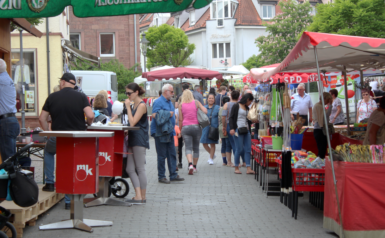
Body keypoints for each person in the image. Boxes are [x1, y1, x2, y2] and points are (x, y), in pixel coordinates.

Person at [39, 73, 94, 209]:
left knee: (49, 152)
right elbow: (90, 115)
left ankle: (50, 182)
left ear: (63, 82)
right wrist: (88, 124)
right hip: (77, 138)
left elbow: (42, 119)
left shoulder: (52, 97)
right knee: (72, 165)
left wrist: (49, 133)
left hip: (59, 137)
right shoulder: (81, 96)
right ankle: (70, 202)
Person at [151, 84, 184, 184]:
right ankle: (161, 176)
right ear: (166, 92)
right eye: (172, 91)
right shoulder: (158, 101)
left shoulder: (170, 102)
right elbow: (154, 115)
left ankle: (173, 174)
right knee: (162, 156)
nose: (173, 93)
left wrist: (174, 131)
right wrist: (168, 114)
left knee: (172, 154)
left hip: (170, 132)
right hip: (160, 133)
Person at [124, 83, 149, 203]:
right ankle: (138, 195)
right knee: (129, 168)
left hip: (139, 139)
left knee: (140, 168)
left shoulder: (141, 105)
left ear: (136, 92)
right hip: (133, 138)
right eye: (126, 93)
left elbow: (133, 122)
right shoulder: (135, 105)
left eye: (129, 93)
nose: (127, 95)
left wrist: (128, 107)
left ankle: (142, 196)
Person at [179, 90, 207, 174]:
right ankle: (194, 167)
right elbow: (205, 111)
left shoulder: (181, 105)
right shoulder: (196, 102)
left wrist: (180, 130)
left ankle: (190, 164)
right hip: (196, 127)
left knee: (188, 147)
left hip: (185, 127)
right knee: (196, 148)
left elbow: (180, 119)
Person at [229, 93, 255, 175]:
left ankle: (248, 168)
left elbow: (248, 119)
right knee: (239, 149)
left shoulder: (247, 107)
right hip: (238, 130)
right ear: (247, 99)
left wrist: (254, 120)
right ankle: (236, 167)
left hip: (246, 130)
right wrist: (232, 128)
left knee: (248, 149)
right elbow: (231, 117)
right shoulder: (236, 106)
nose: (250, 103)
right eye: (250, 101)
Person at [0, 59, 20, 163]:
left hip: (6, 122)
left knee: (8, 159)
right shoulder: (6, 78)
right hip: (10, 120)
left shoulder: (1, 80)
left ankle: (12, 179)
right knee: (10, 156)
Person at [222, 90, 240, 167]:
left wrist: (224, 126)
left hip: (229, 125)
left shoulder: (226, 105)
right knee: (235, 143)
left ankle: (230, 162)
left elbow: (223, 116)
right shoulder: (240, 105)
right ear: (238, 97)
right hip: (238, 125)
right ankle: (237, 162)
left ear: (231, 96)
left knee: (230, 143)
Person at [200, 94, 220, 165]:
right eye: (209, 98)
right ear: (207, 99)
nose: (211, 99)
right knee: (204, 143)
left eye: (212, 98)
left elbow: (220, 117)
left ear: (214, 100)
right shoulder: (204, 107)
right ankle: (212, 154)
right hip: (205, 128)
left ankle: (211, 158)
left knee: (212, 144)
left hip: (213, 128)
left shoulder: (217, 107)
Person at [312, 92, 332, 160]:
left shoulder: (320, 106)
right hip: (319, 130)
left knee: (322, 149)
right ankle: (319, 163)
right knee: (321, 149)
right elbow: (325, 116)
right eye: (328, 99)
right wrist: (330, 105)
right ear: (324, 99)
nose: (328, 101)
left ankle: (320, 162)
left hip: (320, 129)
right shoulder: (318, 106)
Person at [219, 96, 231, 166]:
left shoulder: (220, 109)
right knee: (228, 145)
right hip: (226, 127)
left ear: (222, 102)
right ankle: (229, 161)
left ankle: (224, 161)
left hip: (220, 127)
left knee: (223, 145)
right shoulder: (228, 108)